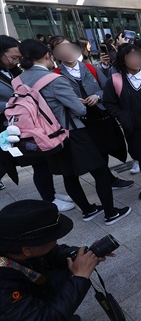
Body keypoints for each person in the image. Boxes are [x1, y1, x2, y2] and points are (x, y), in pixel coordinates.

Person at [18, 39, 131, 225]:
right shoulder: (54, 79)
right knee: (100, 171)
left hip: (45, 135)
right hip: (71, 131)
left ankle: (88, 210)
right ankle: (111, 213)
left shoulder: (20, 80)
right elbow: (81, 110)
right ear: (48, 55)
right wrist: (76, 101)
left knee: (68, 175)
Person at [0, 199, 111, 321]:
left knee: (67, 268)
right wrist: (80, 277)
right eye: (53, 238)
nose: (57, 240)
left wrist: (80, 255)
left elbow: (53, 253)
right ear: (27, 249)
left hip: (19, 302)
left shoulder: (11, 243)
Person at [0, 36, 75, 212]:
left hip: (31, 123)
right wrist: (16, 103)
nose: (15, 61)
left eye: (18, 58)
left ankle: (52, 193)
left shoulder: (13, 72)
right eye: (12, 57)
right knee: (38, 163)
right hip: (12, 127)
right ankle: (48, 199)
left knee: (43, 159)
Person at [49, 36, 132, 192]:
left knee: (108, 147)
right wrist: (73, 101)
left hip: (101, 116)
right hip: (80, 121)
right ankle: (107, 180)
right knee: (95, 152)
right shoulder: (55, 74)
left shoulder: (91, 68)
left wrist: (97, 96)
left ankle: (108, 179)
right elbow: (54, 101)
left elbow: (107, 87)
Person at [103, 44, 141, 200]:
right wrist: (123, 116)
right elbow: (109, 103)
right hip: (134, 128)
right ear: (123, 61)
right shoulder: (115, 80)